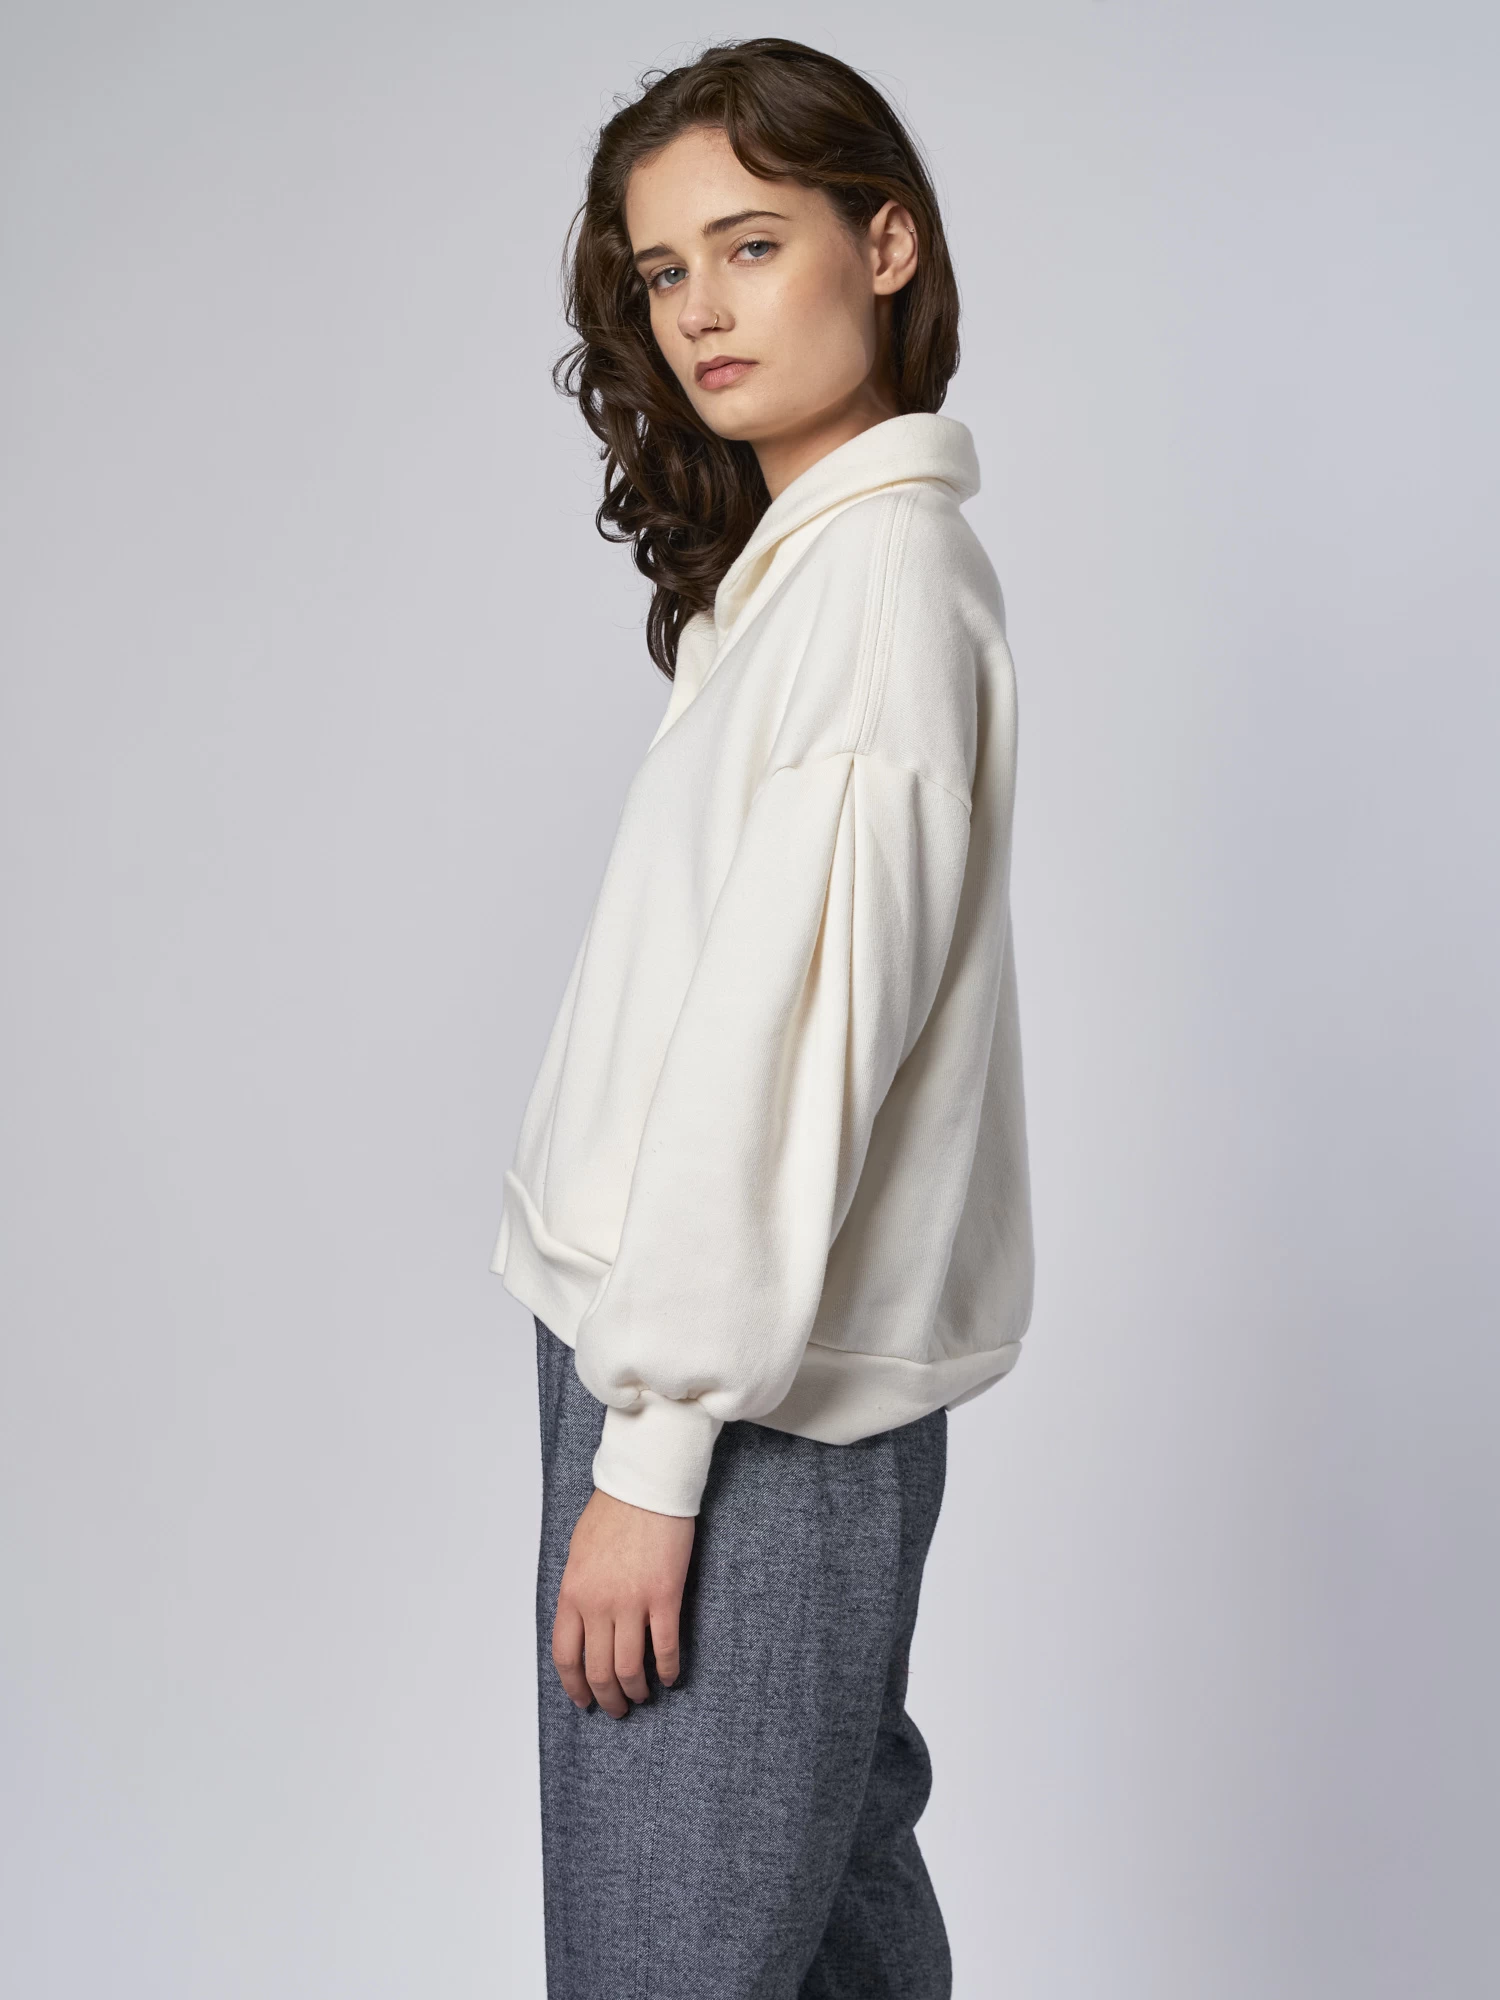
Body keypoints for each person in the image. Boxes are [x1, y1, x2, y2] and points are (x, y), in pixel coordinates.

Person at [490, 36, 1035, 2000]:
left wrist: (651, 1458)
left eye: (751, 243)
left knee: (673, 1957)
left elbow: (784, 1056)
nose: (700, 309)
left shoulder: (876, 589)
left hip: (737, 1409)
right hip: (720, 1371)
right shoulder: (806, 578)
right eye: (663, 271)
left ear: (885, 245)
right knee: (822, 1935)